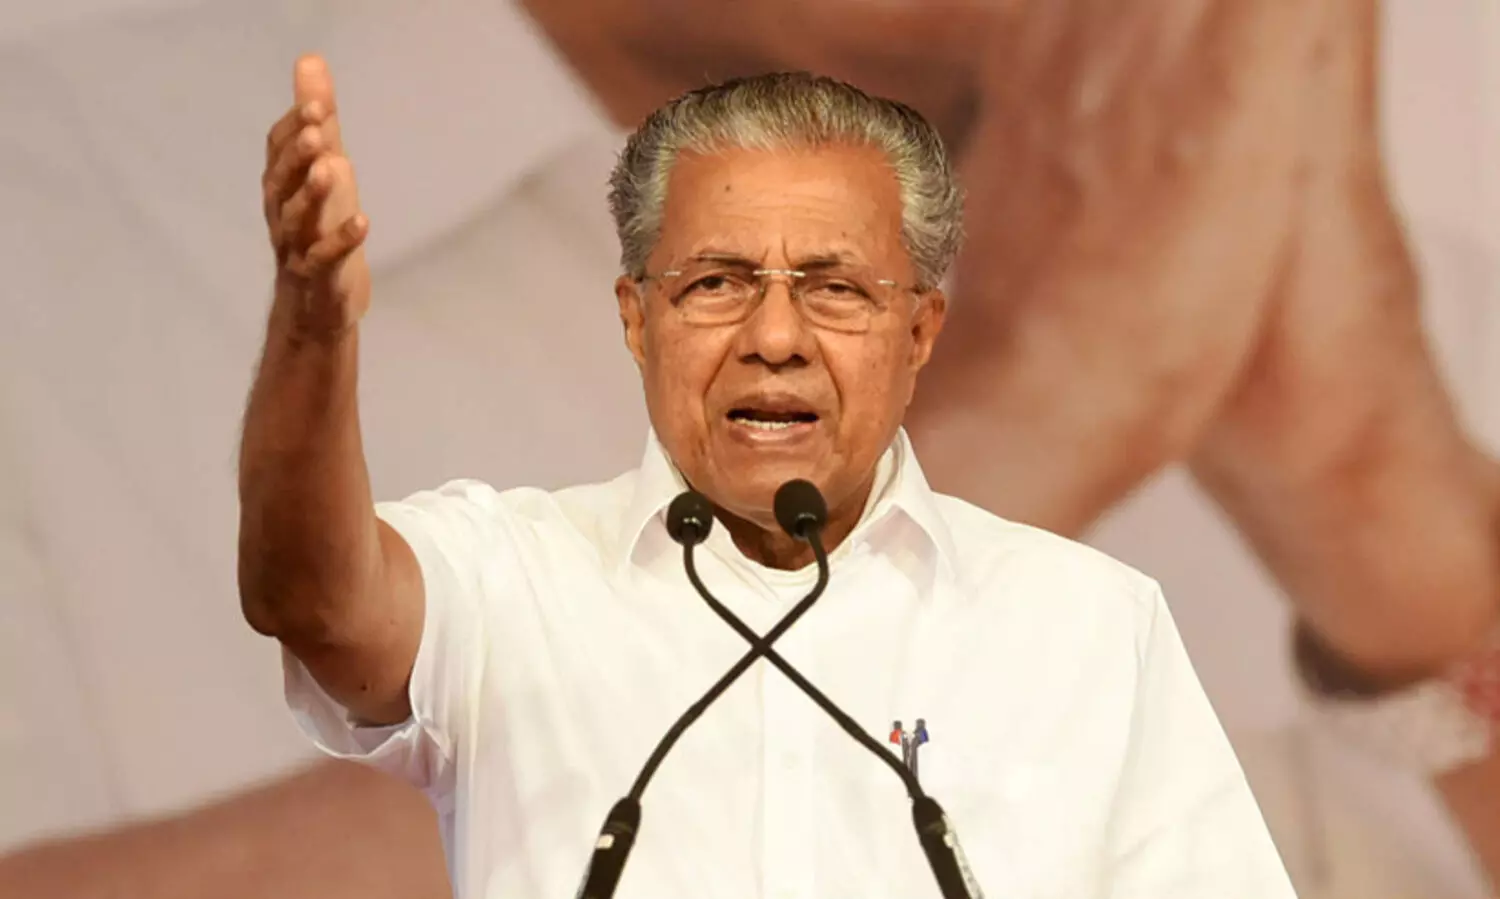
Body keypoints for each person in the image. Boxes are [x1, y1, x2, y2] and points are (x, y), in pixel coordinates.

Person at [238, 61, 1292, 898]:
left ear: (919, 330)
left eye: (836, 289)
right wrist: (312, 330)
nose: (775, 336)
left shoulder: (1088, 628)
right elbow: (313, 599)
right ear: (637, 320)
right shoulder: (512, 581)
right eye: (716, 282)